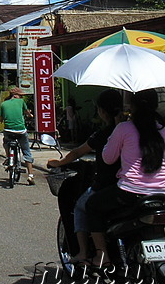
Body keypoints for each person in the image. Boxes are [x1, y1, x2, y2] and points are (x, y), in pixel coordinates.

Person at [85, 88, 165, 268]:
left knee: (91, 205)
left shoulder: (124, 128)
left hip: (130, 191)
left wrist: (115, 132)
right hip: (162, 192)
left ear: (132, 106)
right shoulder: (164, 130)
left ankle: (102, 256)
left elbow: (108, 159)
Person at [47, 89, 123, 264]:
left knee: (82, 206)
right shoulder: (139, 130)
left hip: (113, 185)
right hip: (149, 187)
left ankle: (88, 253)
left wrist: (59, 163)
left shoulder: (109, 133)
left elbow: (78, 152)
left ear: (102, 111)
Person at [0, 87, 35, 185]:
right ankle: (30, 175)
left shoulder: (3, 104)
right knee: (26, 151)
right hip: (20, 131)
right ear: (15, 95)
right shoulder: (21, 102)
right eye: (20, 95)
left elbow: (0, 119)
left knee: (6, 142)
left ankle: (8, 157)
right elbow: (27, 113)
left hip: (8, 130)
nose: (21, 97)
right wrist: (30, 115)